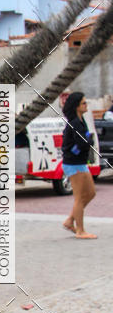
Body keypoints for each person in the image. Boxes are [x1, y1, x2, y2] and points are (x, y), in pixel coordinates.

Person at [61, 92, 97, 239]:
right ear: (77, 106)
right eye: (83, 103)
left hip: (81, 163)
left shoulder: (81, 121)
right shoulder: (75, 123)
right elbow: (83, 143)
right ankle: (80, 231)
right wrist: (89, 142)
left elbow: (85, 141)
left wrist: (88, 142)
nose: (86, 105)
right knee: (79, 197)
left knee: (91, 193)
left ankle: (70, 220)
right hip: (73, 164)